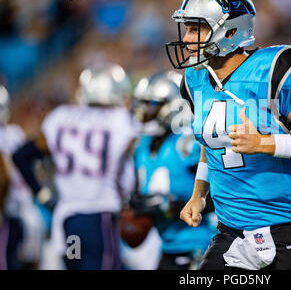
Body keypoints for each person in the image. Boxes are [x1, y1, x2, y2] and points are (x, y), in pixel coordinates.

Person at [166, 0, 291, 270]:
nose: (186, 39)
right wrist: (199, 194)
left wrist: (264, 143)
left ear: (231, 31)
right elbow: (210, 141)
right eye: (186, 29)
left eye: (196, 29)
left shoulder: (272, 71)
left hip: (289, 232)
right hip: (232, 234)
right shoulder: (195, 79)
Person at [12, 64, 139, 270]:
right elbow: (134, 159)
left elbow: (22, 155)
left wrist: (43, 196)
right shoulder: (121, 121)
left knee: (76, 265)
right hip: (99, 221)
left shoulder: (62, 117)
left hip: (69, 223)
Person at [128, 71, 217, 270]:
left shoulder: (188, 144)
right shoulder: (142, 147)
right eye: (142, 103)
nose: (144, 111)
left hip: (201, 247)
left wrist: (170, 206)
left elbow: (222, 196)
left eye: (151, 104)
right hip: (167, 248)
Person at [0, 85, 45, 270]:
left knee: (33, 241)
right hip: (7, 204)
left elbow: (30, 167)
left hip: (20, 199)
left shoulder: (14, 133)